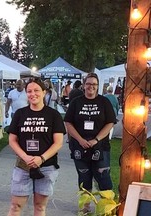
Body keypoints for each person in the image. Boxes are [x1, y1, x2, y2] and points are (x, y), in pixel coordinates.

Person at [7, 78, 66, 216]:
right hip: (23, 166)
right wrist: (25, 157)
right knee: (16, 206)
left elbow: (58, 143)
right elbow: (12, 140)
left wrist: (41, 158)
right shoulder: (20, 114)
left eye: (36, 90)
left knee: (40, 207)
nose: (32, 94)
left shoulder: (53, 115)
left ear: (44, 92)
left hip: (46, 166)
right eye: (29, 91)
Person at [63, 72, 117, 213]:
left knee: (104, 179)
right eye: (88, 84)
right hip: (79, 147)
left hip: (100, 147)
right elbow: (68, 123)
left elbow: (110, 123)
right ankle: (85, 209)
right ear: (84, 85)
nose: (91, 87)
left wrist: (96, 139)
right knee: (84, 179)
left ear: (98, 86)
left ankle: (107, 209)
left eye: (94, 84)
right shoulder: (76, 102)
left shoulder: (104, 102)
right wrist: (80, 139)